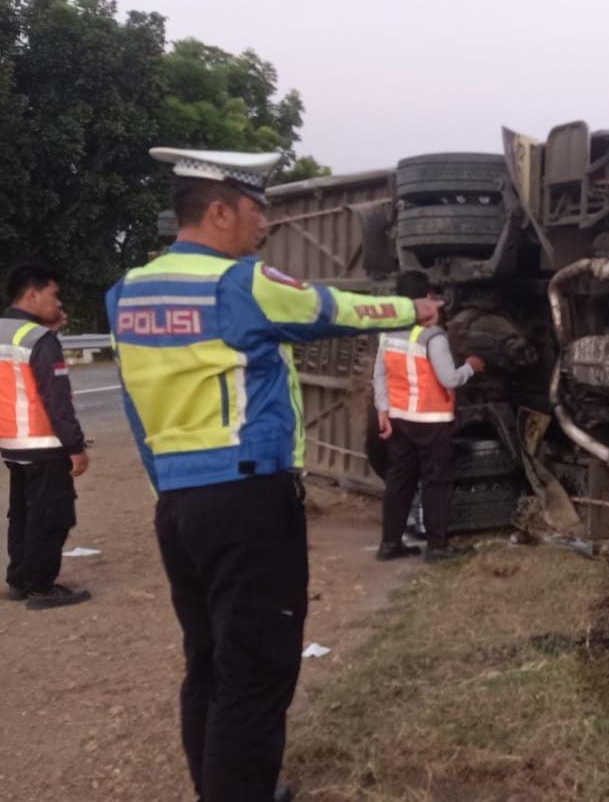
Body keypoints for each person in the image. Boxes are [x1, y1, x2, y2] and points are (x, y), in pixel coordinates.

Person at [106, 148, 442, 802]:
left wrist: (166, 489)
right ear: (221, 210)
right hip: (248, 500)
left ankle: (219, 785)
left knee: (207, 659)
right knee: (256, 667)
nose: (265, 225)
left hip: (177, 506)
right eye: (259, 210)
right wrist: (415, 311)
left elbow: (132, 404)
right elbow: (334, 309)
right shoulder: (239, 283)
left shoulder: (126, 293)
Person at [373, 271, 484, 562]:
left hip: (400, 419)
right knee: (437, 482)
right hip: (432, 422)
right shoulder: (433, 337)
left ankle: (389, 544)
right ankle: (437, 546)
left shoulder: (387, 332)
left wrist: (382, 411)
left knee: (400, 481)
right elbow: (449, 378)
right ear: (426, 299)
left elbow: (379, 375)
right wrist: (471, 367)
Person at [2, 264, 91, 610]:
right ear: (32, 295)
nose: (58, 302)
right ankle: (41, 588)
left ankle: (19, 581)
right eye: (54, 295)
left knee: (22, 515)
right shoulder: (39, 341)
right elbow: (56, 399)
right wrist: (75, 446)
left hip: (11, 443)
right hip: (43, 442)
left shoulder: (9, 333)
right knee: (51, 515)